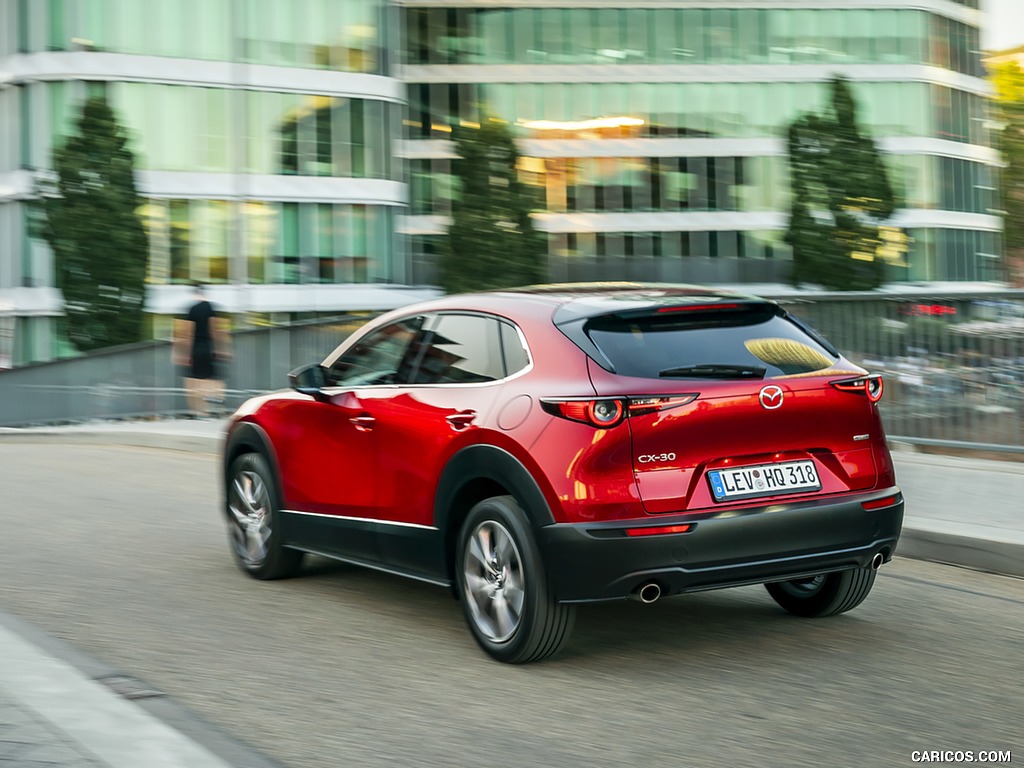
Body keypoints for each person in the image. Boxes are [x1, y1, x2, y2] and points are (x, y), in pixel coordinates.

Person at [172, 283, 231, 418]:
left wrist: (184, 354)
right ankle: (217, 407)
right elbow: (215, 330)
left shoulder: (191, 309)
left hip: (195, 348)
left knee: (193, 380)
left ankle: (198, 411)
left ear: (194, 293)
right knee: (213, 378)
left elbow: (188, 333)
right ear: (205, 293)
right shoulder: (211, 308)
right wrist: (222, 349)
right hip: (209, 348)